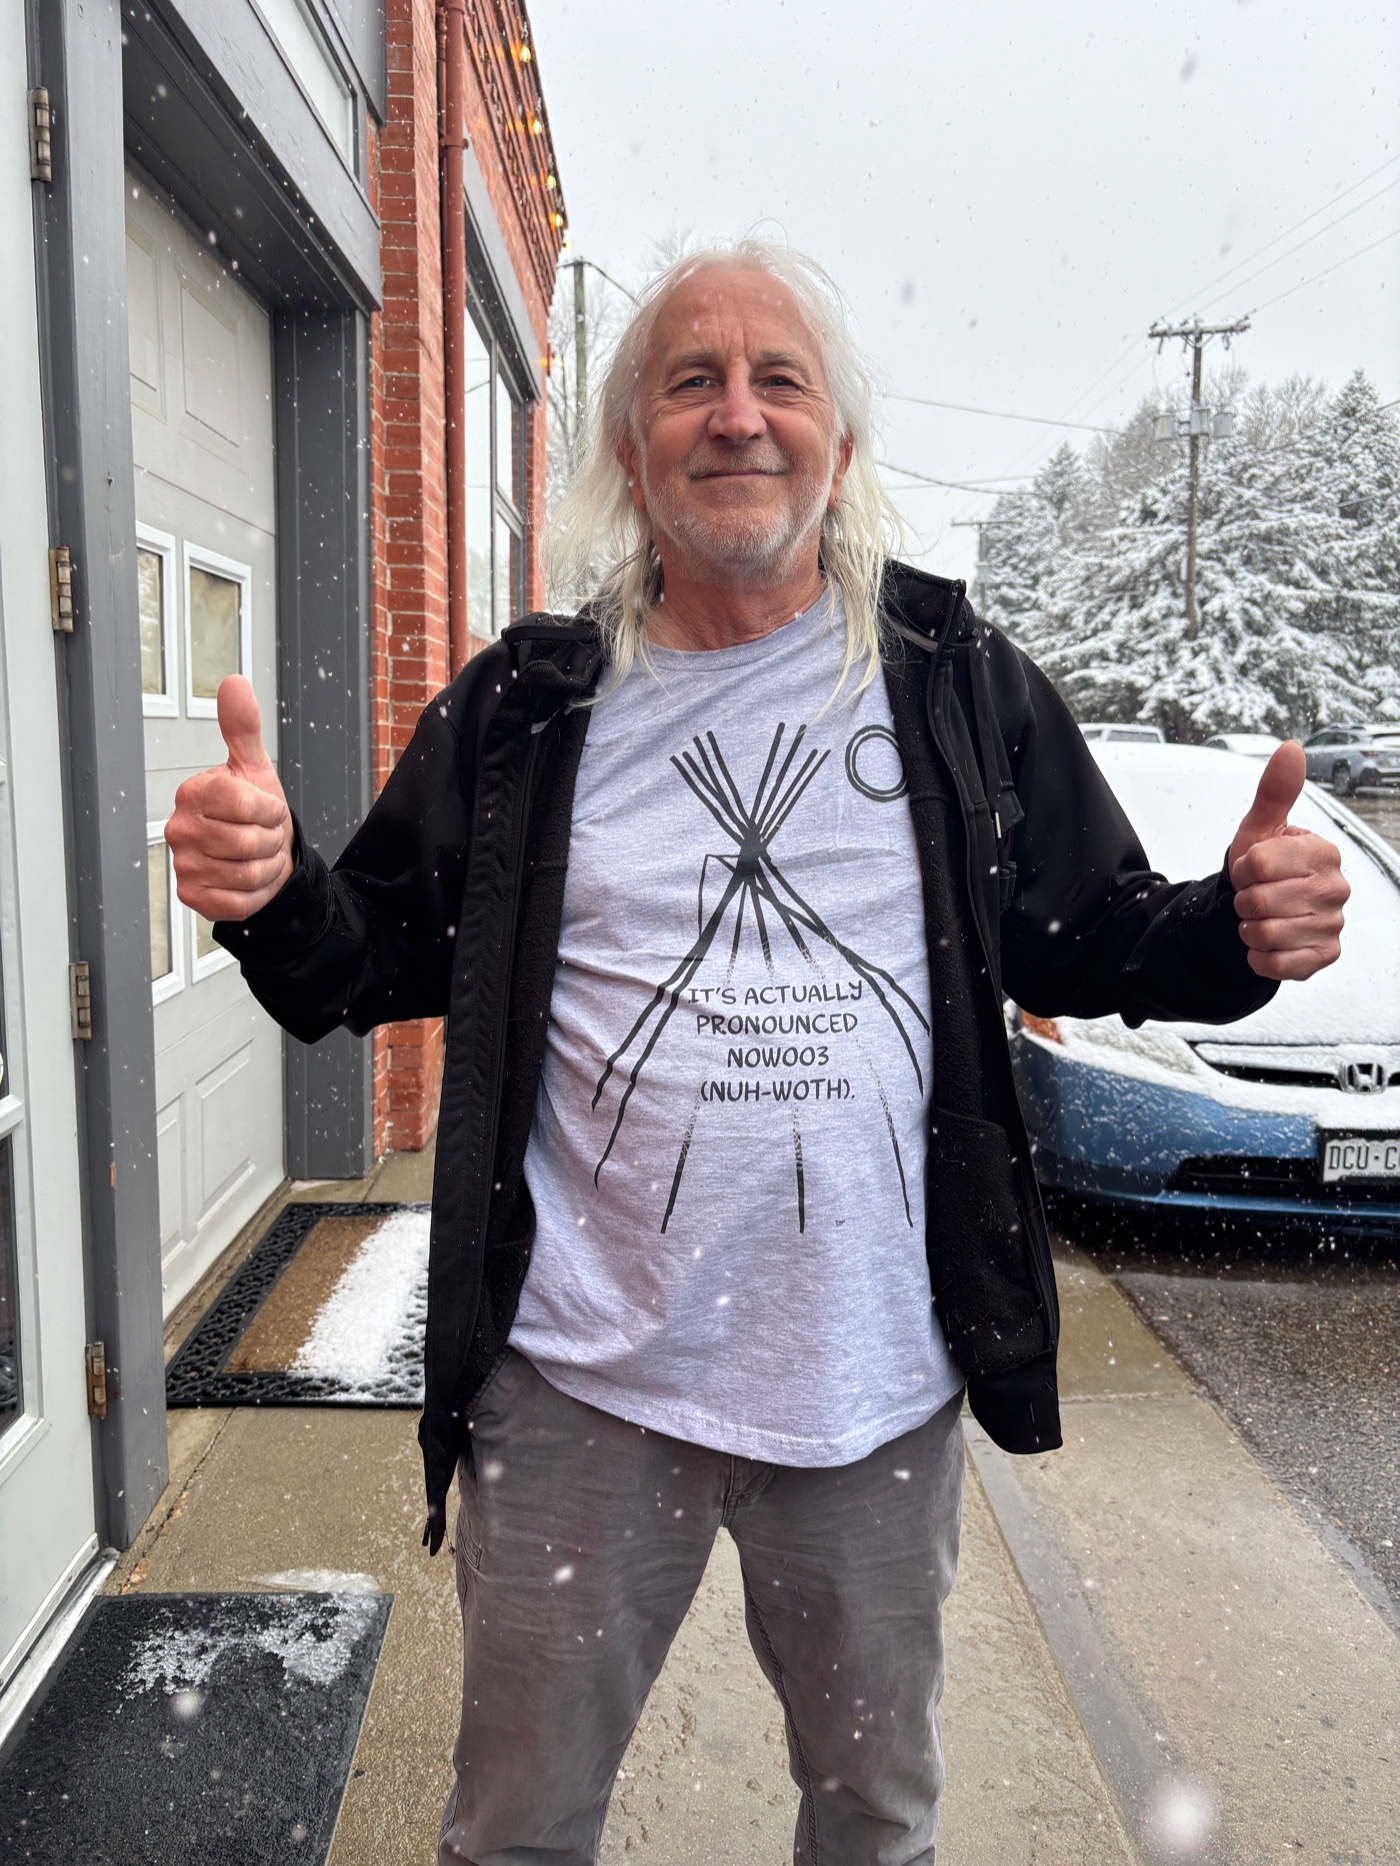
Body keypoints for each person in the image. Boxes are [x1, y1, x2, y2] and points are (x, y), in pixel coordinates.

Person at [165, 240, 1348, 1865]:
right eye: (690, 382)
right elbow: (361, 962)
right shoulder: (533, 709)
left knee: (874, 1823)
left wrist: (1237, 928)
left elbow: (1094, 935)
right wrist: (271, 889)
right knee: (516, 1830)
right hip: (583, 1391)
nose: (739, 416)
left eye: (779, 379)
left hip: (867, 1395)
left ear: (841, 446)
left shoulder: (955, 689)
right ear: (631, 453)